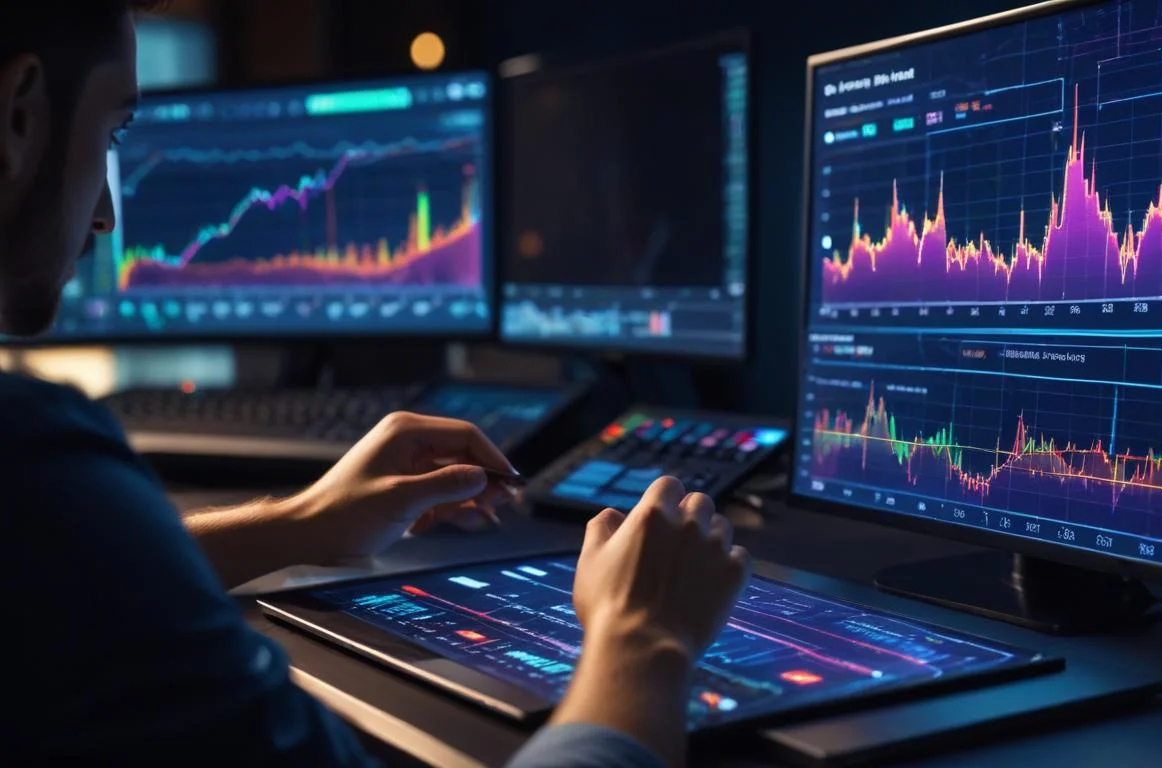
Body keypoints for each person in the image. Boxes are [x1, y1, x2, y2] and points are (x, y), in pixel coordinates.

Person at [0, 2, 751, 765]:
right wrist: (643, 641)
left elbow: (57, 583)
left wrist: (300, 523)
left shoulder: (40, 500)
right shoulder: (31, 462)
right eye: (113, 132)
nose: (104, 212)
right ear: (20, 115)